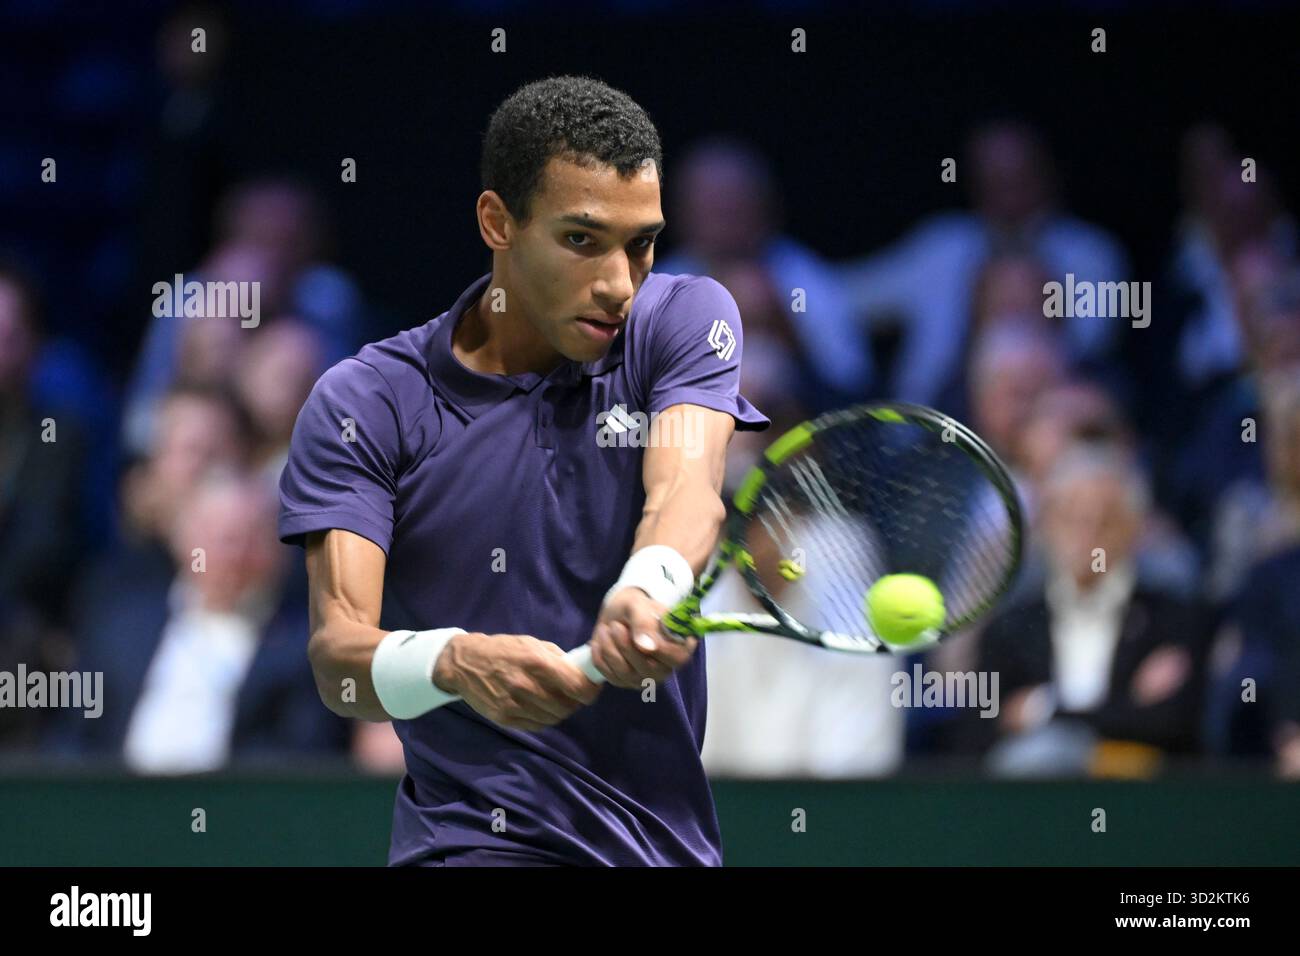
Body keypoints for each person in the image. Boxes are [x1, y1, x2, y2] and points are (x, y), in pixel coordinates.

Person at [278, 76, 768, 866]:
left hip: (666, 847)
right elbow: (339, 662)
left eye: (641, 243)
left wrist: (649, 585)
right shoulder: (368, 401)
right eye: (582, 239)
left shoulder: (682, 318)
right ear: (497, 222)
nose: (619, 283)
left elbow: (688, 488)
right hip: (472, 846)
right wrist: (454, 663)